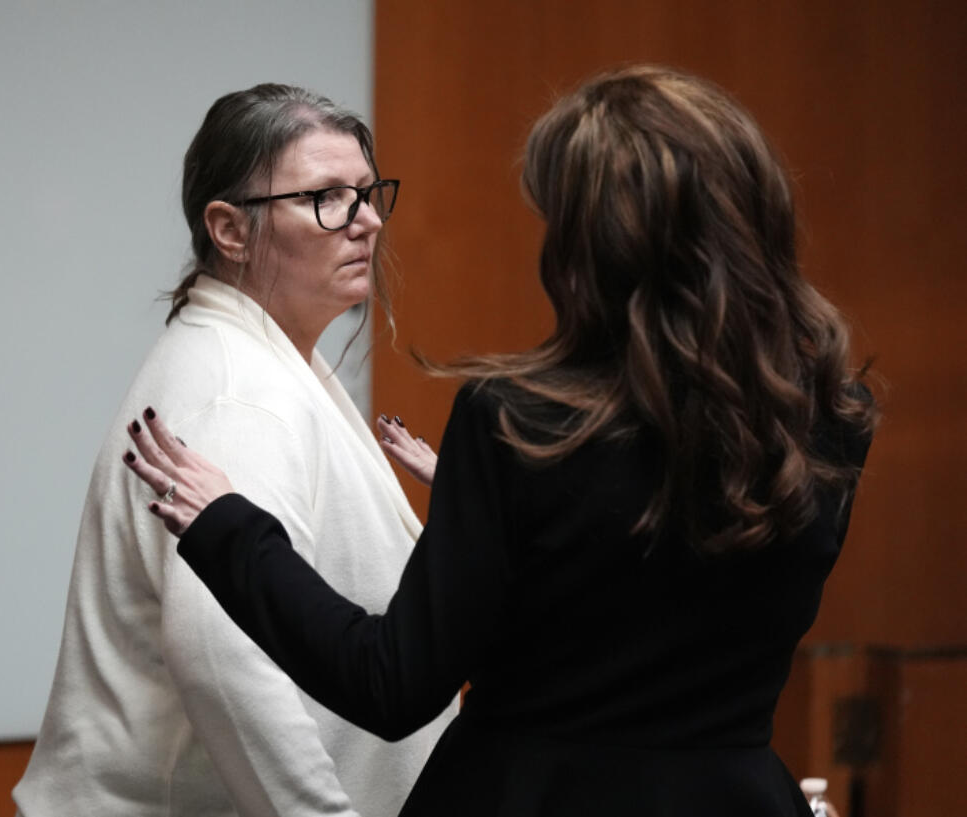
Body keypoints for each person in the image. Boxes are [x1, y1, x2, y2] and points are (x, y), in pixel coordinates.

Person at [121, 66, 878, 816]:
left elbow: (393, 684)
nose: (366, 221)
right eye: (325, 198)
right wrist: (510, 520)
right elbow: (657, 621)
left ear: (592, 246)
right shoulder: (831, 419)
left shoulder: (518, 424)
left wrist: (231, 527)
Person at [13, 84, 455, 817]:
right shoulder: (237, 394)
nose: (368, 220)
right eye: (327, 197)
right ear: (230, 229)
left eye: (370, 193)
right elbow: (224, 658)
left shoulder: (263, 361)